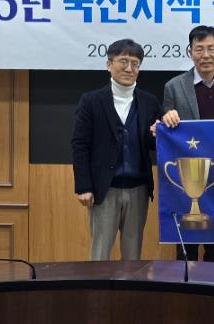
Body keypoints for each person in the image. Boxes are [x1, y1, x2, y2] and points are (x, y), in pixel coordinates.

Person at [72, 38, 161, 261]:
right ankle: (97, 286)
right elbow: (80, 145)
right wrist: (83, 186)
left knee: (132, 256)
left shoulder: (149, 102)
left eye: (135, 63)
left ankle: (128, 286)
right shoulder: (91, 101)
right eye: (123, 61)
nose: (129, 68)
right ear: (109, 64)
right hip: (104, 190)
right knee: (100, 254)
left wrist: (157, 135)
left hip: (138, 190)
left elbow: (153, 145)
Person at [158, 25, 214, 263]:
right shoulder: (174, 86)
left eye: (211, 49)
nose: (206, 55)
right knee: (187, 244)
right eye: (199, 49)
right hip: (186, 179)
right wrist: (167, 116)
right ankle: (186, 284)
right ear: (189, 52)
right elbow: (166, 120)